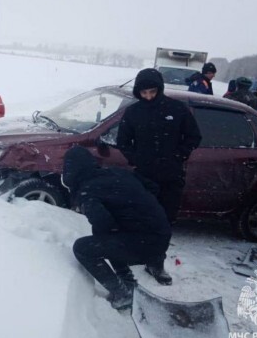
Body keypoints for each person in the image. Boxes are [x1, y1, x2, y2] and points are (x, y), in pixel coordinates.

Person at [116, 68, 202, 285]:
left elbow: (194, 136)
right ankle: (134, 255)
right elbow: (123, 142)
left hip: (171, 177)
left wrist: (178, 155)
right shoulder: (133, 113)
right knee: (139, 217)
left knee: (164, 222)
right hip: (143, 176)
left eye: (152, 92)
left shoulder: (176, 109)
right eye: (143, 93)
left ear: (159, 89)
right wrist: (135, 159)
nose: (148, 96)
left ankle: (156, 262)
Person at [64, 146, 171, 311]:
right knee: (109, 237)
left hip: (146, 242)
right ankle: (127, 281)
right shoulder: (117, 172)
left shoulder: (87, 190)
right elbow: (153, 188)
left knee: (83, 248)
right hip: (160, 234)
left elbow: (102, 222)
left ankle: (122, 294)